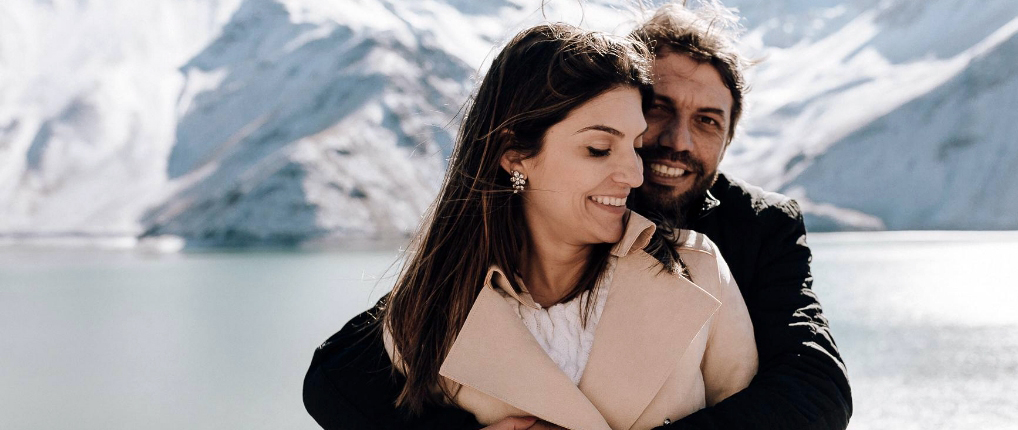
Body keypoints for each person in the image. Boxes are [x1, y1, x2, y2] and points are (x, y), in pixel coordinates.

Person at [304, 4, 852, 430]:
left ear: (729, 137)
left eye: (708, 121)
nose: (672, 145)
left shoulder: (750, 231)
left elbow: (815, 386)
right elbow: (345, 372)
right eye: (657, 112)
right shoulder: (510, 244)